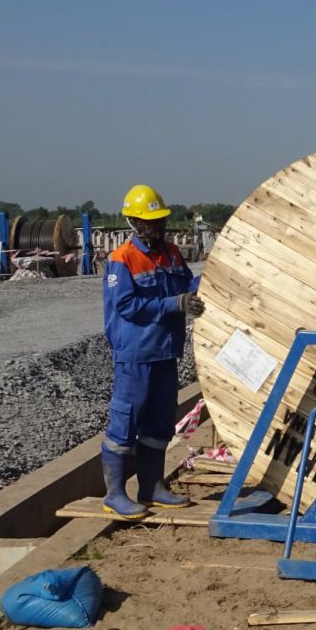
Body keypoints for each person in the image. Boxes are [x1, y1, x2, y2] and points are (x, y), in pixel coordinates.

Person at [99, 184, 204, 518]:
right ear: (133, 222)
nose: (157, 227)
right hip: (135, 354)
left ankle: (152, 487)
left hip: (165, 352)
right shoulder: (122, 260)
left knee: (160, 423)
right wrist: (175, 304)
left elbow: (187, 284)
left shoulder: (171, 254)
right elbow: (127, 306)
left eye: (160, 221)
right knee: (125, 422)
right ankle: (115, 494)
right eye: (150, 222)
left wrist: (209, 282)